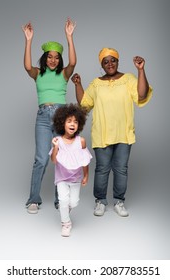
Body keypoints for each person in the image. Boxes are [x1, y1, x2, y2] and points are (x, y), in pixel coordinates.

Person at [71, 47, 153, 217]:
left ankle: (119, 201)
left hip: (123, 133)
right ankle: (100, 201)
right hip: (102, 133)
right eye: (105, 62)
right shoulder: (96, 84)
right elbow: (84, 104)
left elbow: (142, 94)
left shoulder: (128, 79)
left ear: (117, 61)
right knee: (102, 169)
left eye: (112, 60)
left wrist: (140, 70)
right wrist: (78, 84)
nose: (110, 64)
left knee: (121, 169)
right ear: (102, 65)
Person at [22, 18, 77, 214]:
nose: (53, 60)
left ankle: (60, 200)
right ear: (44, 58)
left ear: (59, 59)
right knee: (41, 159)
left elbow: (73, 62)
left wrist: (69, 37)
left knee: (61, 159)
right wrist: (28, 40)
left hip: (61, 117)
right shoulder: (38, 74)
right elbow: (27, 66)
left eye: (56, 57)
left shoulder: (64, 74)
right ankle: (33, 199)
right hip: (43, 118)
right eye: (49, 57)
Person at [50, 103, 92, 237]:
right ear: (62, 123)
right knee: (63, 201)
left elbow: (85, 160)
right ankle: (66, 223)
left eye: (75, 121)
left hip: (75, 179)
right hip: (61, 178)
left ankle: (65, 210)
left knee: (73, 202)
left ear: (79, 125)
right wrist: (56, 147)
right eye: (69, 121)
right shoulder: (58, 141)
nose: (72, 124)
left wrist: (86, 176)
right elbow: (53, 160)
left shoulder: (81, 141)